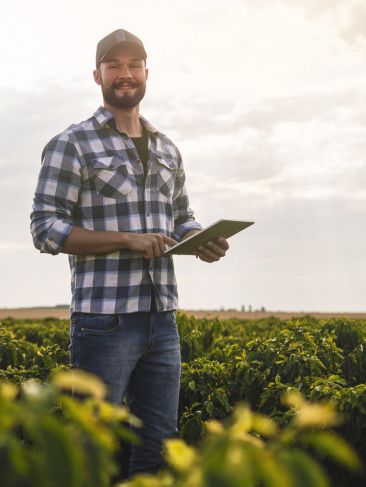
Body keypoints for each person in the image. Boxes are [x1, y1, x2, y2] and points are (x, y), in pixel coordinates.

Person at [29, 28, 229, 477]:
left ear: (146, 73)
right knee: (94, 449)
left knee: (159, 448)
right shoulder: (72, 144)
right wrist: (126, 238)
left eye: (133, 65)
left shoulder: (166, 148)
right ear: (96, 75)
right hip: (104, 321)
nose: (125, 74)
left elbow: (180, 216)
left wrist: (201, 239)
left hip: (163, 318)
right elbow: (45, 229)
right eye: (114, 65)